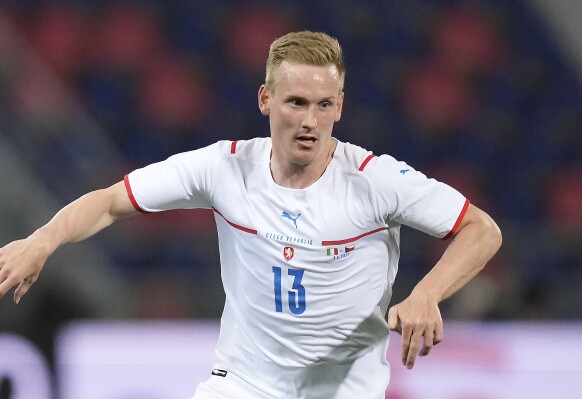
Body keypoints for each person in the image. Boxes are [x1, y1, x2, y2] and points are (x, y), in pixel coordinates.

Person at [0, 31, 502, 398]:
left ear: (341, 107)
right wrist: (42, 240)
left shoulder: (375, 180)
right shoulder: (224, 167)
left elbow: (481, 230)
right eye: (296, 102)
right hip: (243, 384)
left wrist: (427, 294)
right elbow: (110, 201)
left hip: (345, 390)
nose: (310, 121)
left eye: (324, 104)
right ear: (266, 99)